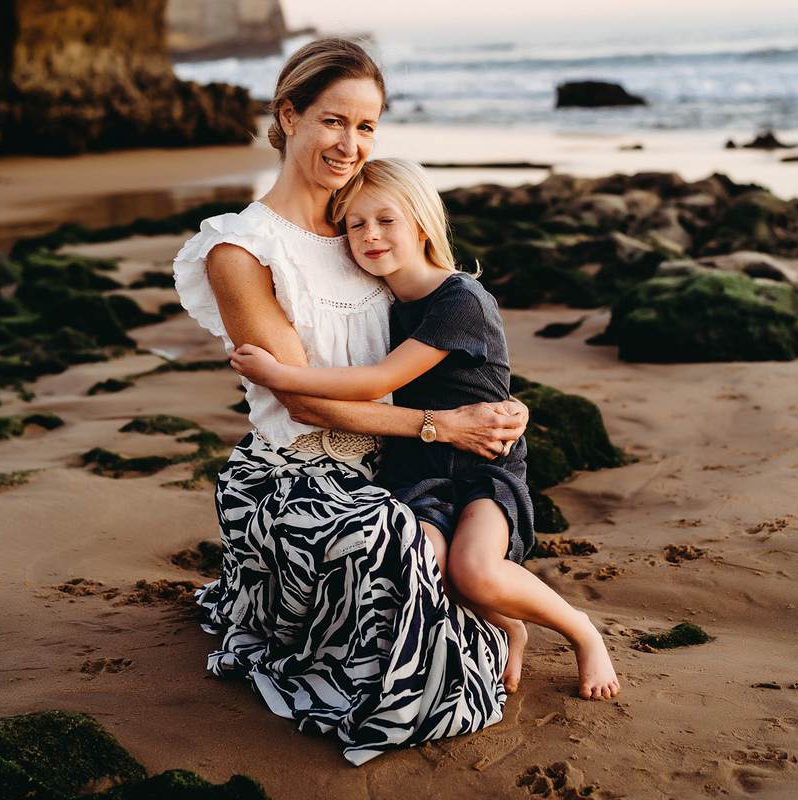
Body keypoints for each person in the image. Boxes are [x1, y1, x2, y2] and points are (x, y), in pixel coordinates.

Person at [171, 38, 529, 765]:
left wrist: (497, 410)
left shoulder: (366, 228)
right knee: (391, 545)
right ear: (290, 114)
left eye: (367, 127)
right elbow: (306, 406)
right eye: (335, 121)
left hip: (402, 457)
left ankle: (495, 618)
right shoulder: (241, 250)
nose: (350, 144)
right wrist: (446, 428)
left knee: (453, 533)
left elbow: (450, 334)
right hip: (298, 473)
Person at [230, 158, 621, 701]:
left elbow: (382, 379)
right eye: (354, 224)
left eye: (386, 220)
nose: (369, 235)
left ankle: (581, 631)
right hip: (417, 465)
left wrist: (282, 376)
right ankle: (509, 626)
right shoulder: (386, 303)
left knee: (475, 570)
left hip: (483, 462)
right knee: (422, 561)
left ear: (421, 221)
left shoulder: (459, 298)